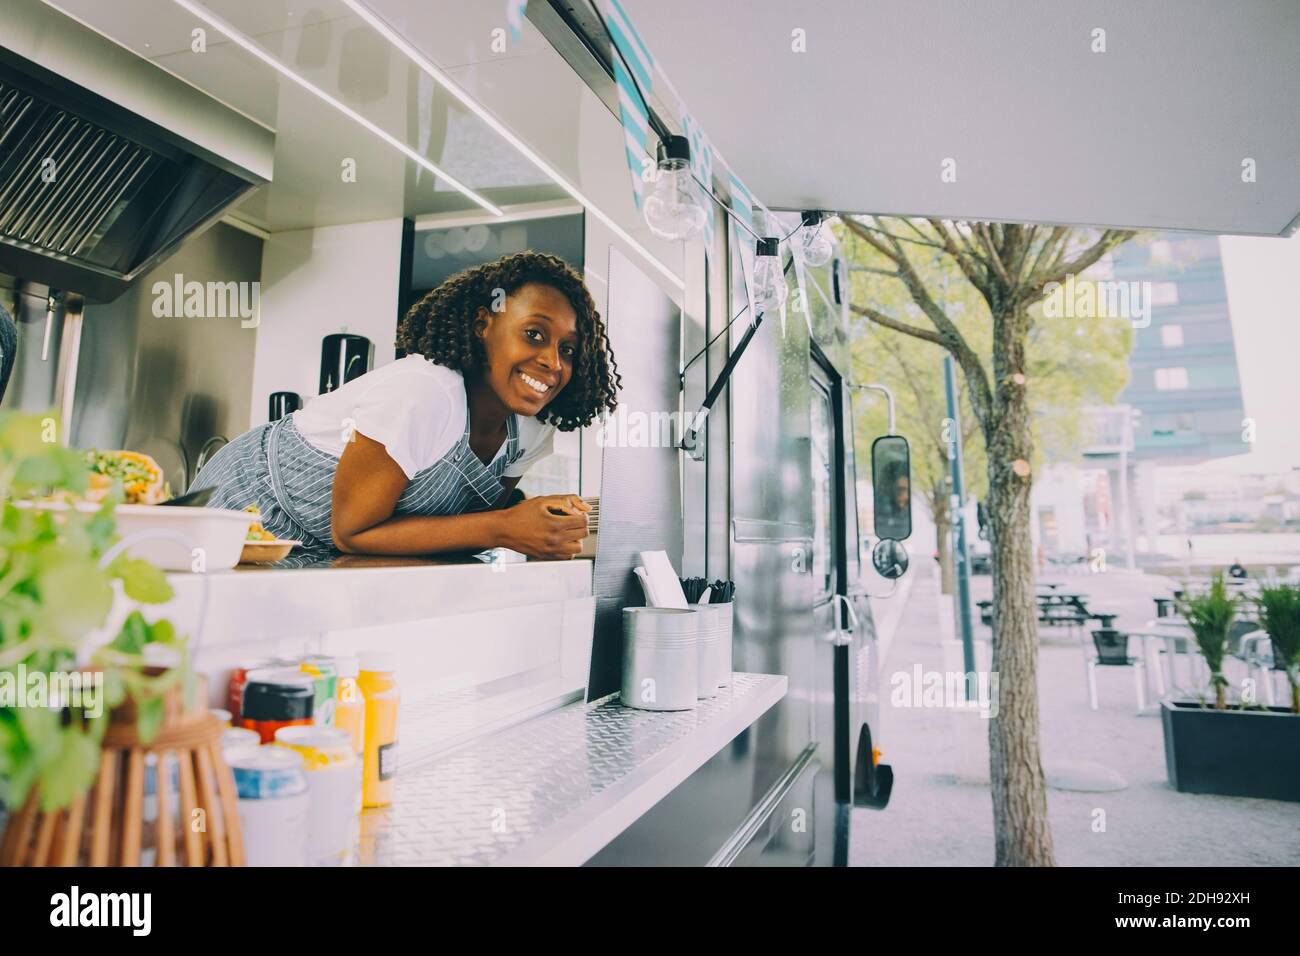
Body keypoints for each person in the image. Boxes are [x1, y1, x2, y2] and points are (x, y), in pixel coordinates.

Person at [193, 252, 620, 559]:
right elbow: (354, 531)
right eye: (534, 335)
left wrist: (537, 528)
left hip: (326, 552)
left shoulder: (530, 431)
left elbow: (462, 528)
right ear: (482, 326)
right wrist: (508, 527)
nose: (552, 362)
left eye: (568, 350)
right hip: (245, 510)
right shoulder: (424, 392)